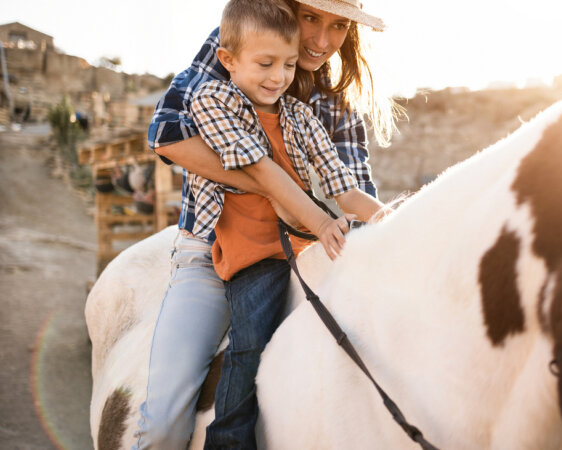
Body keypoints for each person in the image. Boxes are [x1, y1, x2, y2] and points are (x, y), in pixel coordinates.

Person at [133, 0, 396, 448]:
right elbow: (168, 136)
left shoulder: (327, 101)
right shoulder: (239, 44)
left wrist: (396, 222)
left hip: (301, 253)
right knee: (163, 421)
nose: (320, 40)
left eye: (338, 26)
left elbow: (351, 188)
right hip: (211, 249)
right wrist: (273, 185)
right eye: (310, 17)